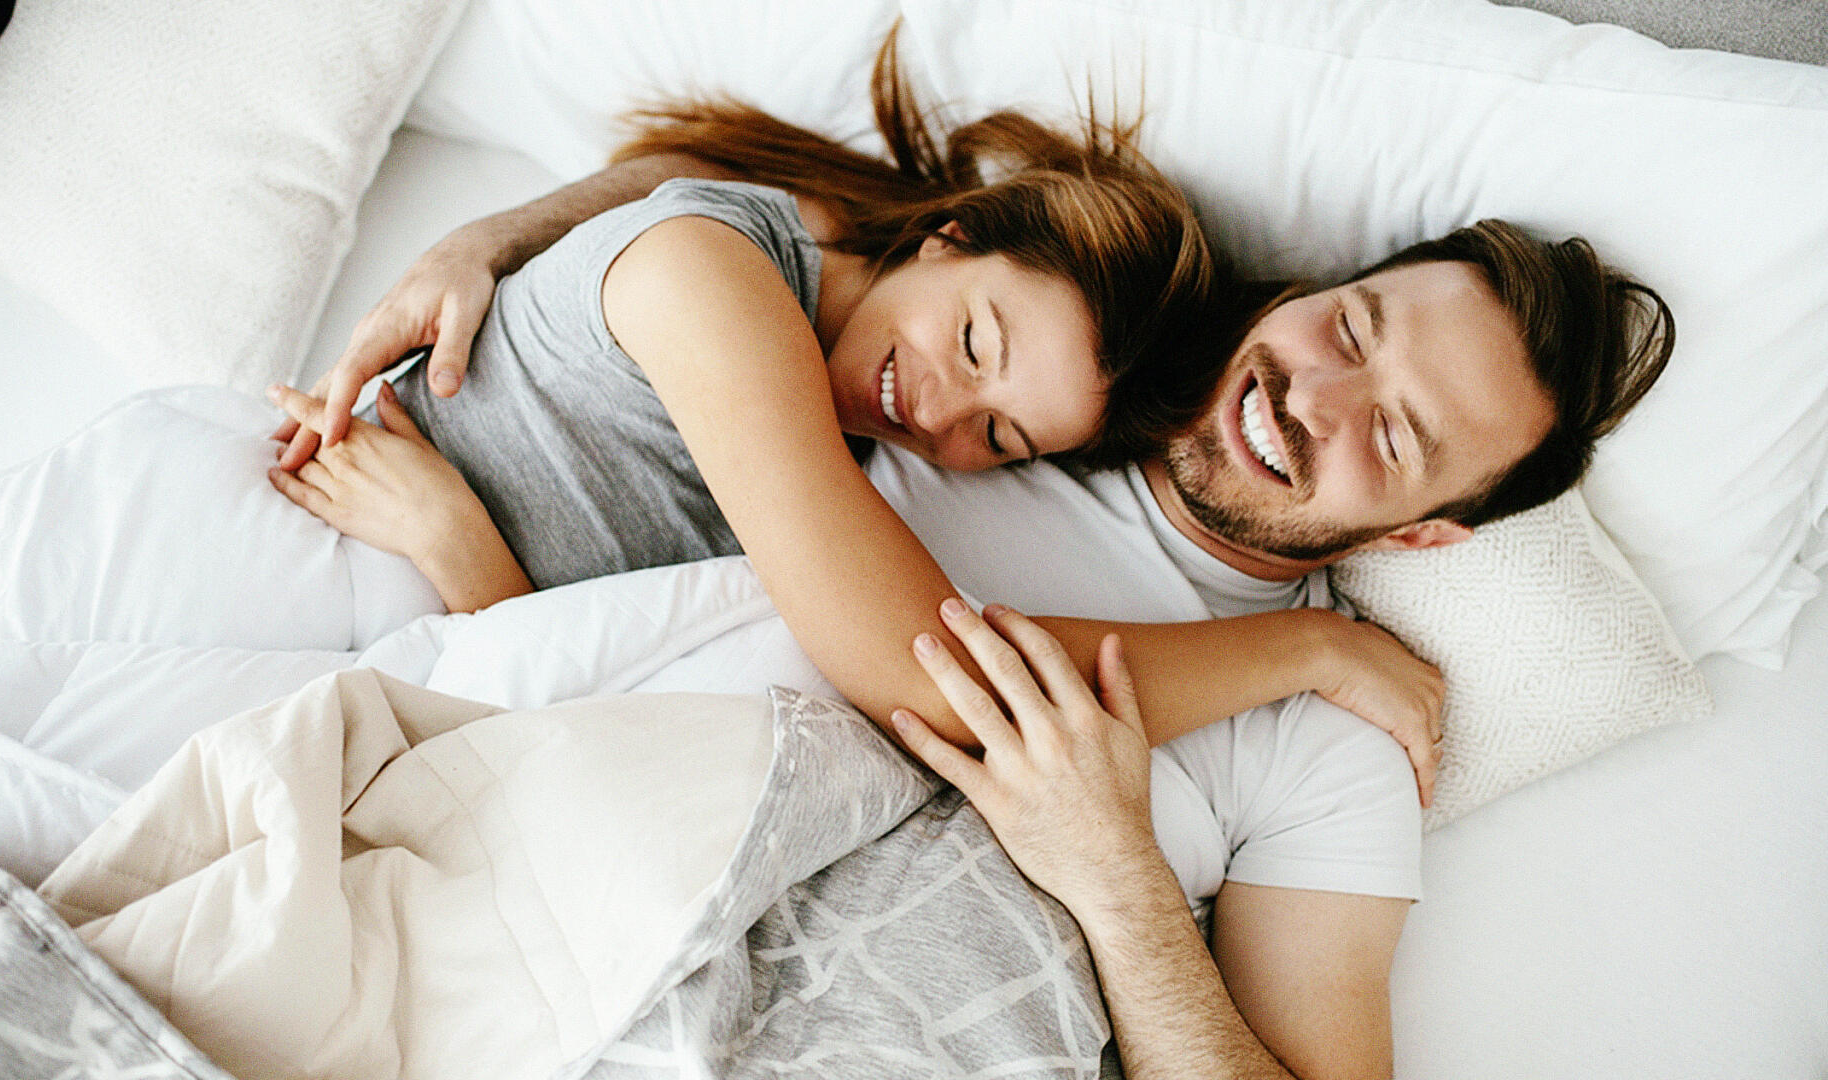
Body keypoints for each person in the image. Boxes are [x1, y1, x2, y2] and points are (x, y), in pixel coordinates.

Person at [288, 102, 1673, 1075]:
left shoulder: (1334, 752)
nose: (1312, 398)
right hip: (548, 888)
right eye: (1352, 331)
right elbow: (759, 196)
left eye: (1395, 439)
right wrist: (488, 244)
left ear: (1423, 538)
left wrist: (1123, 886)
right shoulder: (1016, 374)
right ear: (1316, 288)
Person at [268, 35, 1454, 794]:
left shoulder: (792, 299)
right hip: (297, 536)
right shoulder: (725, 284)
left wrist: (491, 240)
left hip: (386, 626)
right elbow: (937, 683)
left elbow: (675, 179)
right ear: (950, 234)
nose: (936, 414)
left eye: (1000, 439)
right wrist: (1309, 647)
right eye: (977, 341)